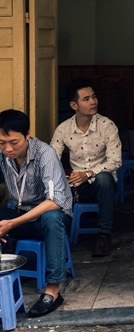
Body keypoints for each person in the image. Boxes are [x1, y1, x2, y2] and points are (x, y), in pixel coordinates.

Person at [0, 109, 72, 317]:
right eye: (2, 143)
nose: (8, 148)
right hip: (19, 215)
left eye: (14, 142)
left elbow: (55, 202)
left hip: (49, 219)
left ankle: (53, 291)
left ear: (27, 135)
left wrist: (11, 224)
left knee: (52, 217)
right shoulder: (2, 154)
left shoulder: (44, 154)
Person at [51, 78, 122, 258]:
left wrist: (88, 173)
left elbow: (115, 161)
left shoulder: (107, 126)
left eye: (94, 97)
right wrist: (65, 178)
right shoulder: (63, 129)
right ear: (74, 105)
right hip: (78, 187)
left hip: (103, 184)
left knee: (104, 178)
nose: (93, 102)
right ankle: (58, 239)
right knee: (56, 184)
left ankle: (104, 236)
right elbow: (51, 160)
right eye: (86, 99)